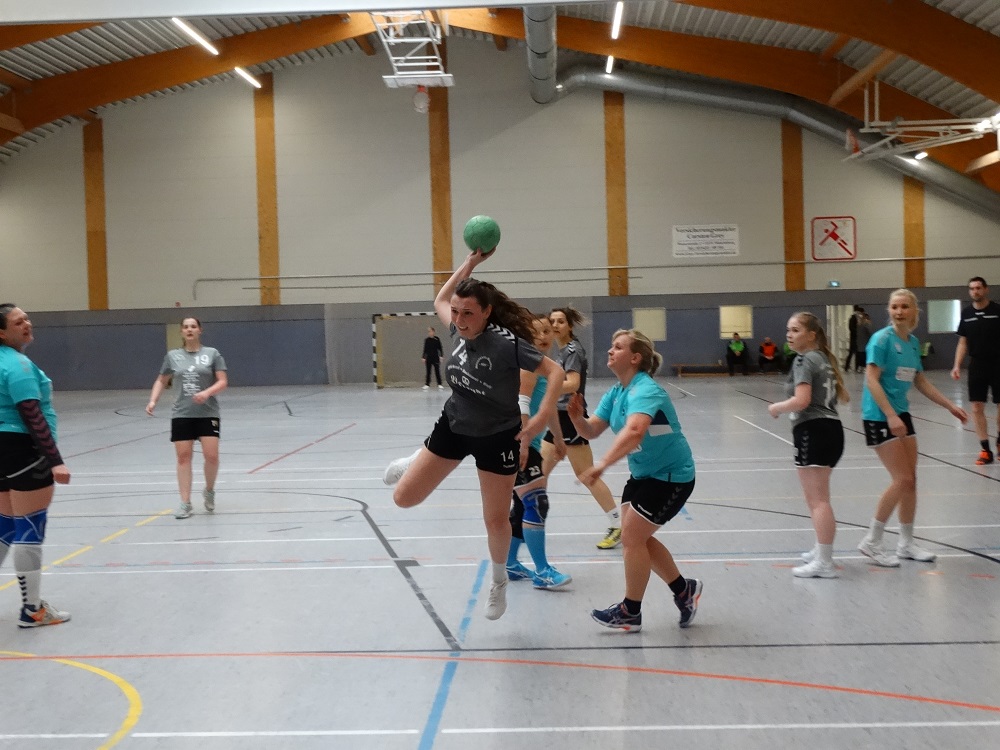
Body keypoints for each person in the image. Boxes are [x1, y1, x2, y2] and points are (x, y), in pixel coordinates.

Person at [382, 248, 565, 621]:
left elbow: (555, 372)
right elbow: (440, 299)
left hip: (498, 438)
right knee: (403, 498)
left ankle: (498, 583)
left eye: (468, 313)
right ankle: (417, 457)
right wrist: (469, 265)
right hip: (454, 425)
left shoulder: (506, 344)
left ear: (486, 312)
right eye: (457, 312)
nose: (459, 320)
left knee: (495, 519)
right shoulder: (456, 327)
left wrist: (542, 415)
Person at [569, 329, 701, 632]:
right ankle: (684, 590)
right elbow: (592, 430)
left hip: (671, 476)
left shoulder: (646, 389)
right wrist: (577, 419)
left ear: (635, 357)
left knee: (632, 537)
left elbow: (635, 431)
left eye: (618, 347)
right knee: (637, 538)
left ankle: (630, 611)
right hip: (643, 474)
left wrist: (603, 463)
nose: (610, 351)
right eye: (611, 346)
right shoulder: (617, 392)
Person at [858, 289, 968, 566]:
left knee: (911, 480)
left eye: (904, 306)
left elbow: (920, 381)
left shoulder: (913, 342)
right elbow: (871, 380)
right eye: (894, 307)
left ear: (914, 311)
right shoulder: (881, 340)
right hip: (879, 415)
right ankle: (872, 541)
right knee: (902, 479)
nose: (899, 312)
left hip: (901, 413)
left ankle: (906, 544)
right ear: (889, 310)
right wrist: (890, 415)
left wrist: (949, 405)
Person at [0, 303, 71, 627]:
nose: (27, 324)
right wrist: (55, 461)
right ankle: (32, 610)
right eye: (18, 322)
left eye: (27, 318)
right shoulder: (18, 365)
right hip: (22, 451)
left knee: (5, 527)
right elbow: (32, 414)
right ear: (3, 333)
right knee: (29, 526)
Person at [768, 312, 848, 578]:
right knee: (820, 498)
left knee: (818, 501)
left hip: (813, 431)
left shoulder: (804, 359)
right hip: (833, 430)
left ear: (811, 335)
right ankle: (821, 549)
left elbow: (802, 400)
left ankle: (824, 562)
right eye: (788, 330)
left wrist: (777, 407)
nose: (789, 335)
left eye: (795, 330)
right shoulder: (823, 358)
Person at [541, 306, 623, 550]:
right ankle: (529, 522)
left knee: (586, 474)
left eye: (561, 321)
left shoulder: (573, 350)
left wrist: (545, 387)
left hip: (570, 418)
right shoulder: (561, 351)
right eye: (552, 321)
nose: (555, 325)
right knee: (538, 474)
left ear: (569, 326)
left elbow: (573, 383)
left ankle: (617, 524)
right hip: (557, 418)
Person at [506, 313, 571, 590]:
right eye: (537, 332)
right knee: (536, 502)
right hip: (516, 442)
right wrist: (523, 444)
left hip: (528, 442)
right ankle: (542, 571)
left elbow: (549, 407)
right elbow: (522, 404)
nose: (544, 336)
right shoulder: (528, 366)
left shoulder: (545, 367)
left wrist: (558, 438)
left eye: (547, 331)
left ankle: (510, 563)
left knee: (522, 505)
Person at [146, 317, 228, 520]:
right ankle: (185, 502)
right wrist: (153, 400)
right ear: (181, 332)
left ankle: (209, 490)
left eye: (193, 326)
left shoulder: (212, 354)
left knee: (211, 456)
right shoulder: (173, 356)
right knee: (183, 457)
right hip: (182, 413)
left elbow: (222, 381)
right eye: (185, 327)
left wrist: (206, 393)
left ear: (200, 330)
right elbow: (161, 380)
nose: (189, 329)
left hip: (207, 412)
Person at [951, 277, 1000, 465]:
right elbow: (962, 342)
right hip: (977, 364)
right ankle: (985, 450)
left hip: (998, 363)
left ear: (985, 289)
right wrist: (957, 365)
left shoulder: (997, 310)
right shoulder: (967, 313)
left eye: (978, 288)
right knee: (976, 407)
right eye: (972, 288)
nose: (975, 291)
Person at [421, 326, 444, 391]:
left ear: (433, 332)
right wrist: (423, 357)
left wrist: (441, 356)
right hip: (429, 358)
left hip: (435, 357)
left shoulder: (437, 339)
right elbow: (425, 349)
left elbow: (440, 348)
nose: (429, 333)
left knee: (437, 371)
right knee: (428, 371)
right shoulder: (427, 340)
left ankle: (439, 384)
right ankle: (427, 384)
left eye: (430, 331)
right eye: (428, 332)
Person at [844, 304, 862, 371]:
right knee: (852, 353)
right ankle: (848, 367)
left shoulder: (855, 318)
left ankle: (853, 367)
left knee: (854, 353)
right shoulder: (853, 318)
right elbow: (851, 328)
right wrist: (857, 331)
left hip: (855, 338)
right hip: (854, 338)